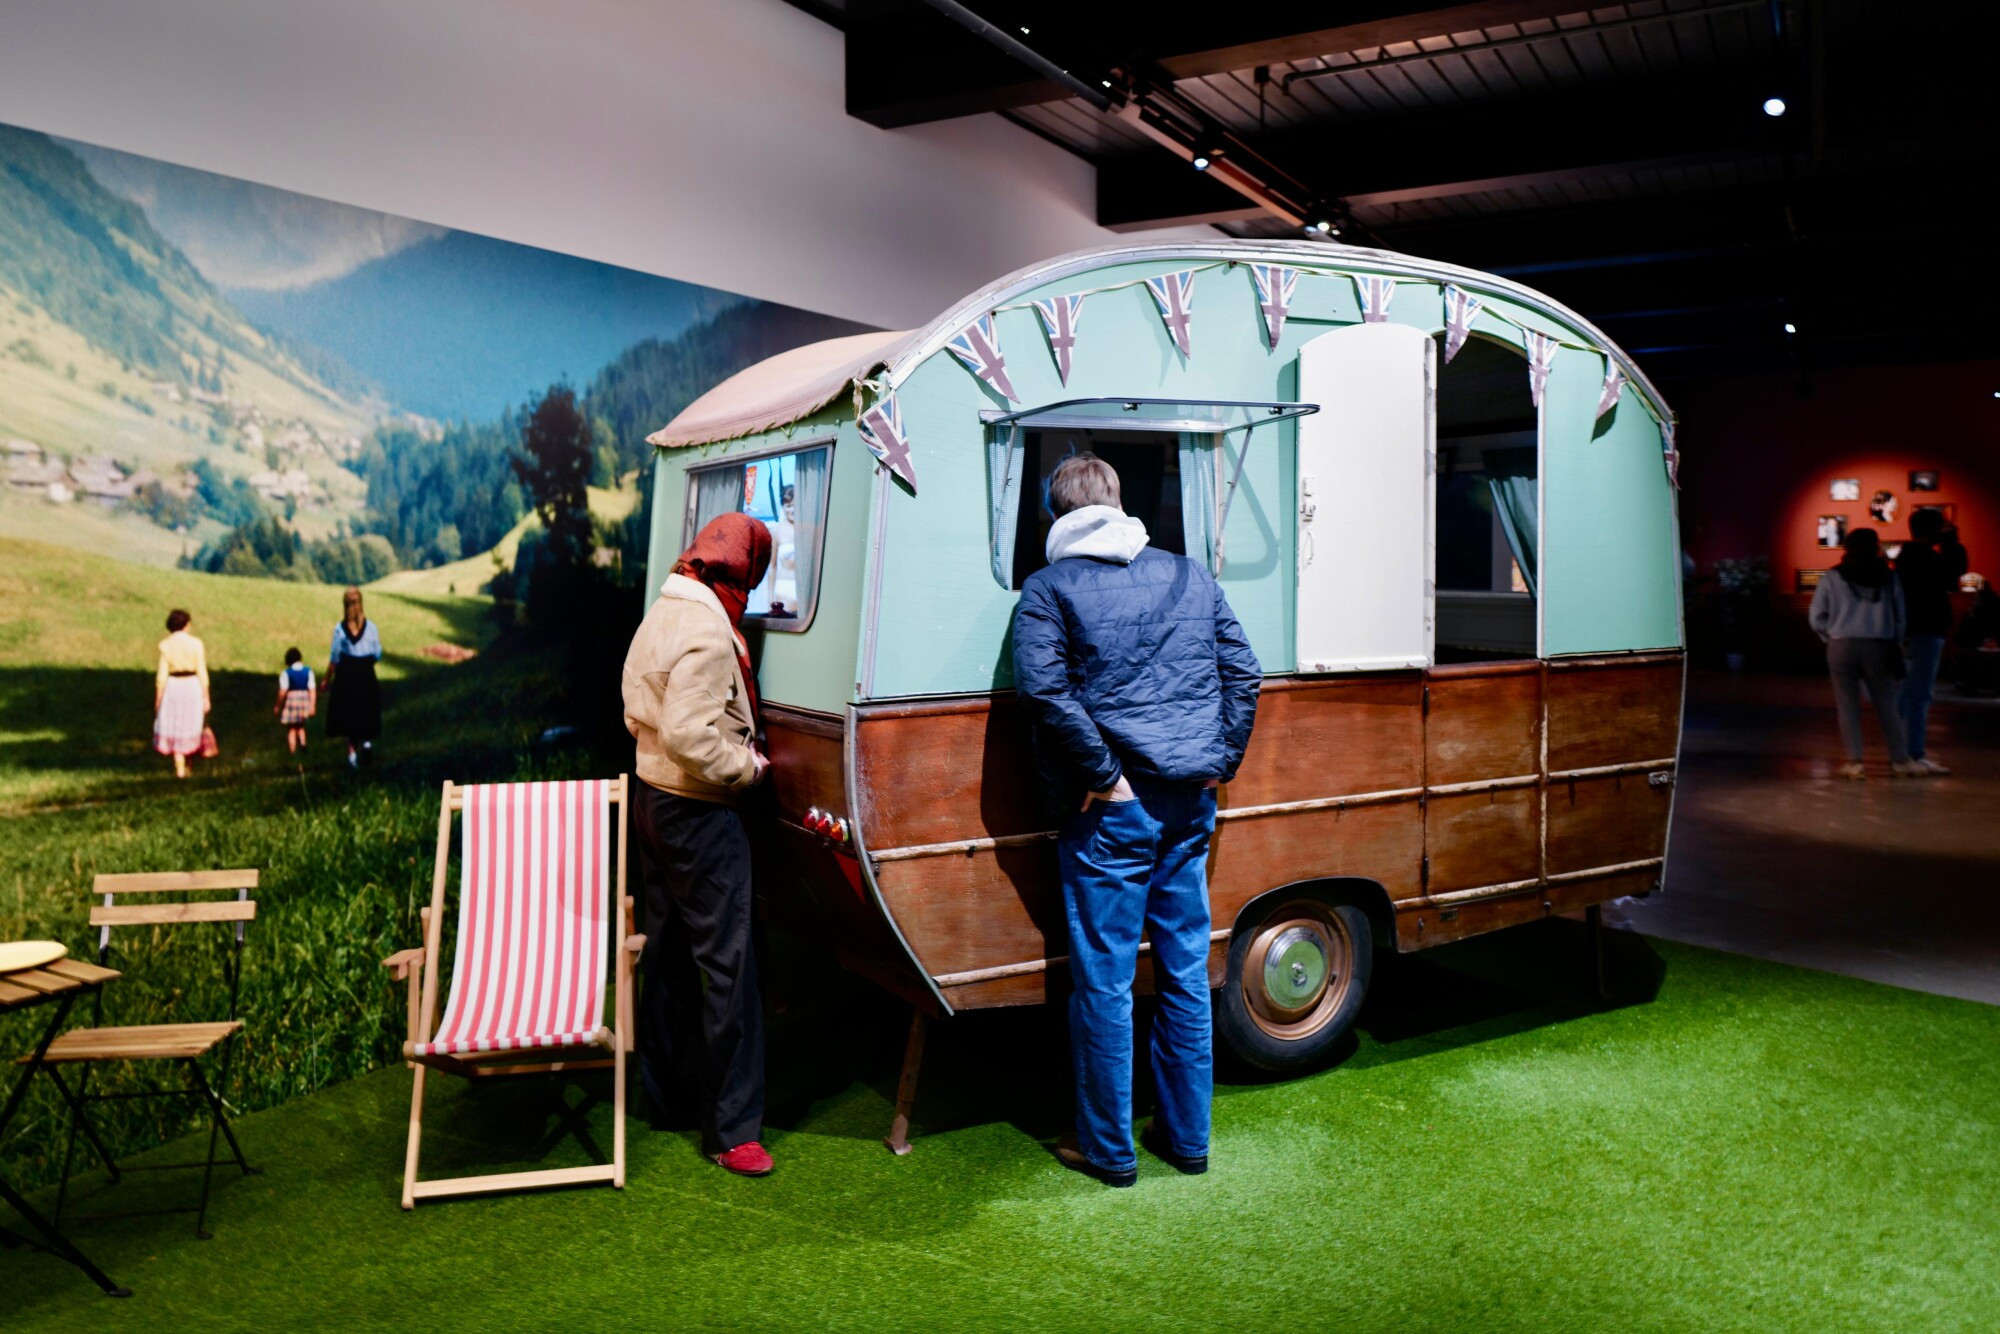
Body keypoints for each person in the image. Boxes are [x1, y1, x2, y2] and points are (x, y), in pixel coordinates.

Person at [1011, 452, 1261, 1187]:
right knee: (1184, 972)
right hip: (1189, 802)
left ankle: (1109, 1150)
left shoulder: (1047, 588)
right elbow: (1244, 671)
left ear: (1056, 514)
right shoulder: (1189, 574)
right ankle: (1187, 1140)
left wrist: (1105, 778)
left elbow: (1044, 693)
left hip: (1111, 815)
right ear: (1118, 502)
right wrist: (1221, 760)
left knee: (1106, 982)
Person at [621, 512, 776, 1177]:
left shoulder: (664, 609)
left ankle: (665, 1097)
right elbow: (691, 735)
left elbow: (637, 705)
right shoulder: (711, 632)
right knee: (729, 966)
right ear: (736, 578)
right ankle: (731, 1130)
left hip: (652, 797)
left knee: (670, 954)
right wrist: (744, 768)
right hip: (699, 807)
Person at [1808, 527, 1923, 780]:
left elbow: (1816, 617)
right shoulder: (1889, 577)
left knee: (1847, 705)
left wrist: (1830, 635)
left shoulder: (1832, 576)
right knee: (1886, 704)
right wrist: (1895, 640)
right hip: (1878, 645)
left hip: (1841, 646)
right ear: (1876, 547)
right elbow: (1900, 616)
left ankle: (1855, 763)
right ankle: (1900, 760)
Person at [1895, 508, 1968, 774]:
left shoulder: (1907, 556)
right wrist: (1952, 542)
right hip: (1926, 630)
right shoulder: (1926, 557)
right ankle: (1913, 754)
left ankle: (1901, 753)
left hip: (1909, 630)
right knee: (1919, 695)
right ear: (1935, 530)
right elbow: (1954, 574)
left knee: (1907, 693)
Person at [325, 587, 382, 769]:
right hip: (366, 673)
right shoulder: (371, 627)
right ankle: (367, 743)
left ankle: (352, 756)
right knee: (366, 710)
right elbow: (377, 653)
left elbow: (335, 657)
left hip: (346, 674)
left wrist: (326, 679)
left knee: (348, 714)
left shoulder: (340, 629)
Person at [153, 608, 209, 780]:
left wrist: (158, 698)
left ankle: (179, 768)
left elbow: (161, 676)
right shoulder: (196, 644)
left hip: (173, 686)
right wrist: (206, 696)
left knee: (175, 724)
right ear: (187, 625)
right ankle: (188, 763)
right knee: (191, 723)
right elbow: (202, 671)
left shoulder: (165, 645)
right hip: (192, 685)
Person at [274, 646, 316, 754]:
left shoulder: (286, 673)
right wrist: (312, 706)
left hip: (292, 700)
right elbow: (312, 689)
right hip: (304, 699)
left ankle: (292, 751)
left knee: (292, 728)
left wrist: (277, 706)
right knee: (301, 725)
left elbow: (283, 691)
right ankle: (303, 743)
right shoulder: (308, 671)